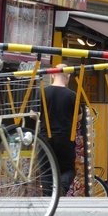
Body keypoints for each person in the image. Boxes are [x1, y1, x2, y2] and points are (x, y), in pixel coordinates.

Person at [41, 64, 77, 196]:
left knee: (46, 169)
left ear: (52, 75)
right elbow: (78, 117)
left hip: (45, 137)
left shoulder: (43, 92)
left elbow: (34, 114)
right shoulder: (72, 95)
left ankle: (48, 196)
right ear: (68, 77)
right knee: (68, 169)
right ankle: (61, 188)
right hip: (65, 138)